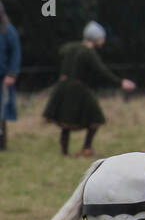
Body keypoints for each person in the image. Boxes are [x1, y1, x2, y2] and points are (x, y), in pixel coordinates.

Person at [43, 21, 136, 156]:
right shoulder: (88, 53)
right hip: (78, 90)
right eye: (101, 38)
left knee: (65, 122)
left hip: (63, 88)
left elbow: (59, 53)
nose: (103, 41)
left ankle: (65, 152)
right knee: (96, 118)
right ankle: (86, 148)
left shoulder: (69, 47)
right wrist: (120, 82)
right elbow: (102, 71)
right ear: (95, 38)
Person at [0, 1, 20, 150]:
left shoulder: (8, 31)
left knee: (1, 113)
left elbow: (15, 53)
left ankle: (1, 145)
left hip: (3, 77)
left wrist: (11, 74)